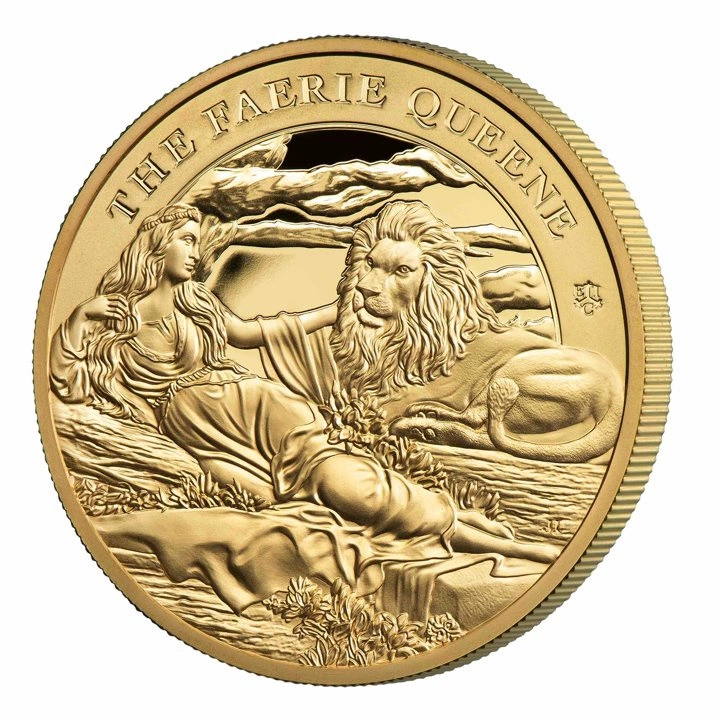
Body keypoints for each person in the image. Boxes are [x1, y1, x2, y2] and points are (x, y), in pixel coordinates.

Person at [51, 203, 559, 567]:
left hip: (267, 410)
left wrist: (333, 311)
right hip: (211, 429)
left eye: (196, 239)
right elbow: (67, 384)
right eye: (186, 239)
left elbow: (254, 333)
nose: (195, 250)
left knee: (353, 485)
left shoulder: (197, 301)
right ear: (156, 246)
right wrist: (78, 320)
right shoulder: (117, 316)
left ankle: (498, 542)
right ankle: (472, 531)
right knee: (341, 500)